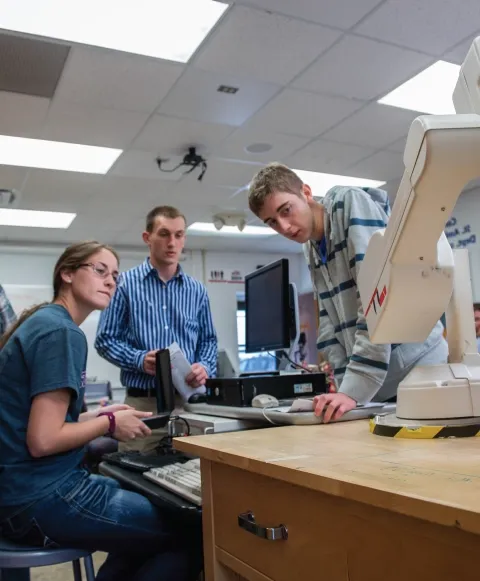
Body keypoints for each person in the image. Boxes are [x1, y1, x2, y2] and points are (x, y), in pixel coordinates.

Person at [0, 241, 202, 581]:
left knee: (137, 532)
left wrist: (100, 420)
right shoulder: (62, 331)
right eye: (99, 270)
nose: (110, 281)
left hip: (19, 494)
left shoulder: (44, 321)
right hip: (43, 497)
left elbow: (42, 423)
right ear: (66, 273)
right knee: (193, 530)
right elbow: (43, 440)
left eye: (115, 275)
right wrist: (108, 422)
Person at [248, 163, 448, 422]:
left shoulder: (348, 203)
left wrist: (356, 388)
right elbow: (328, 325)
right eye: (272, 222)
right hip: (378, 384)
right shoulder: (310, 246)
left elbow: (377, 301)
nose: (284, 227)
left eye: (286, 210)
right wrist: (345, 391)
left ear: (306, 192)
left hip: (416, 371)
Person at [95, 205, 217, 452]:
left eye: (179, 235)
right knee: (136, 479)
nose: (172, 242)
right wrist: (139, 360)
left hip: (189, 404)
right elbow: (105, 339)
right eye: (164, 234)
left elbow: (209, 341)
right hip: (142, 405)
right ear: (147, 238)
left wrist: (205, 366)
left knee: (193, 477)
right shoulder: (124, 284)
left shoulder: (197, 291)